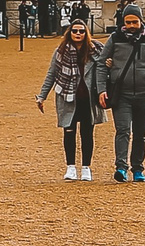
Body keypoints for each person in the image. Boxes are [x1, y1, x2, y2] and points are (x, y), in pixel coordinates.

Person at [95, 2, 145, 183]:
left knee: (140, 133)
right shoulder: (115, 39)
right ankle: (121, 167)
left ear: (140, 21)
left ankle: (138, 168)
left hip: (143, 93)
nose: (131, 26)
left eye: (134, 22)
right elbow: (101, 64)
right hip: (121, 93)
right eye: (128, 22)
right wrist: (101, 89)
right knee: (122, 130)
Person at [37, 17, 105, 181]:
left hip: (89, 97)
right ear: (70, 32)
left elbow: (106, 70)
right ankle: (71, 167)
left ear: (86, 33)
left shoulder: (95, 51)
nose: (78, 34)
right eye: (75, 31)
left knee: (87, 133)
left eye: (81, 31)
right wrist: (42, 96)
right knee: (69, 132)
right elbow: (51, 75)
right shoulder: (60, 51)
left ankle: (86, 168)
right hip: (67, 96)